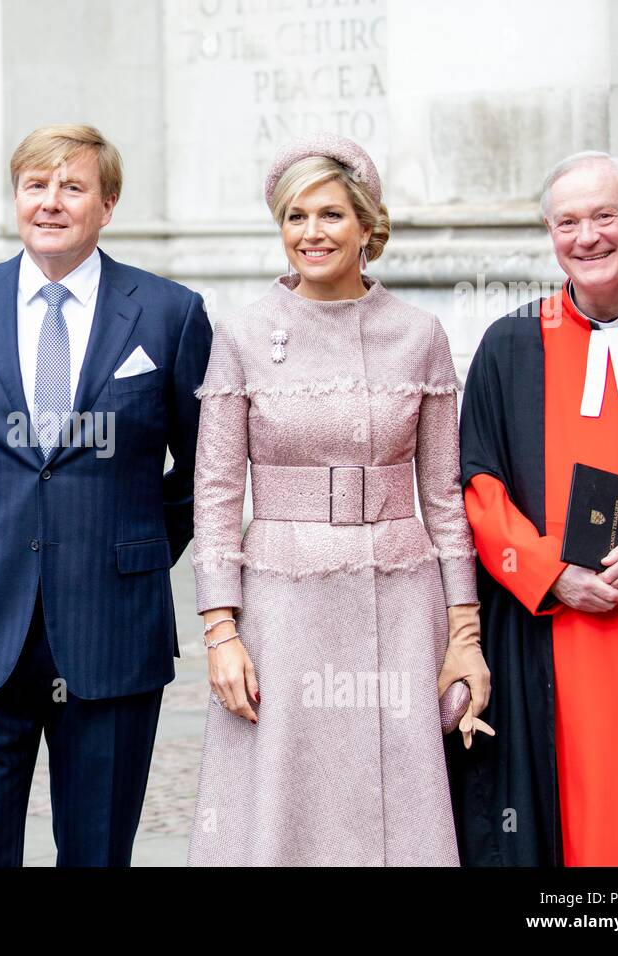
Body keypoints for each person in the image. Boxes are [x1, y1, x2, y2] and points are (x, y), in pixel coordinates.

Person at [0, 124, 212, 866]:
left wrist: (136, 543)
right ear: (16, 198)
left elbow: (208, 467)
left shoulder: (171, 314)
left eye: (73, 186)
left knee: (98, 851)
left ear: (107, 204)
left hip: (113, 625)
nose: (51, 202)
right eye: (35, 185)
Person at [188, 133, 491, 866]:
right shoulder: (244, 335)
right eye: (295, 217)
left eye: (329, 215)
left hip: (399, 596)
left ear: (366, 226)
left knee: (395, 806)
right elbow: (218, 492)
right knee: (285, 802)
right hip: (281, 611)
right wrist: (220, 631)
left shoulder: (419, 335)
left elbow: (444, 497)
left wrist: (465, 635)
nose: (311, 233)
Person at [454, 151, 618, 866]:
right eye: (568, 221)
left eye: (604, 216)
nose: (587, 236)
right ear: (549, 232)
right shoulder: (510, 345)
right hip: (553, 630)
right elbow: (477, 484)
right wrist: (548, 573)